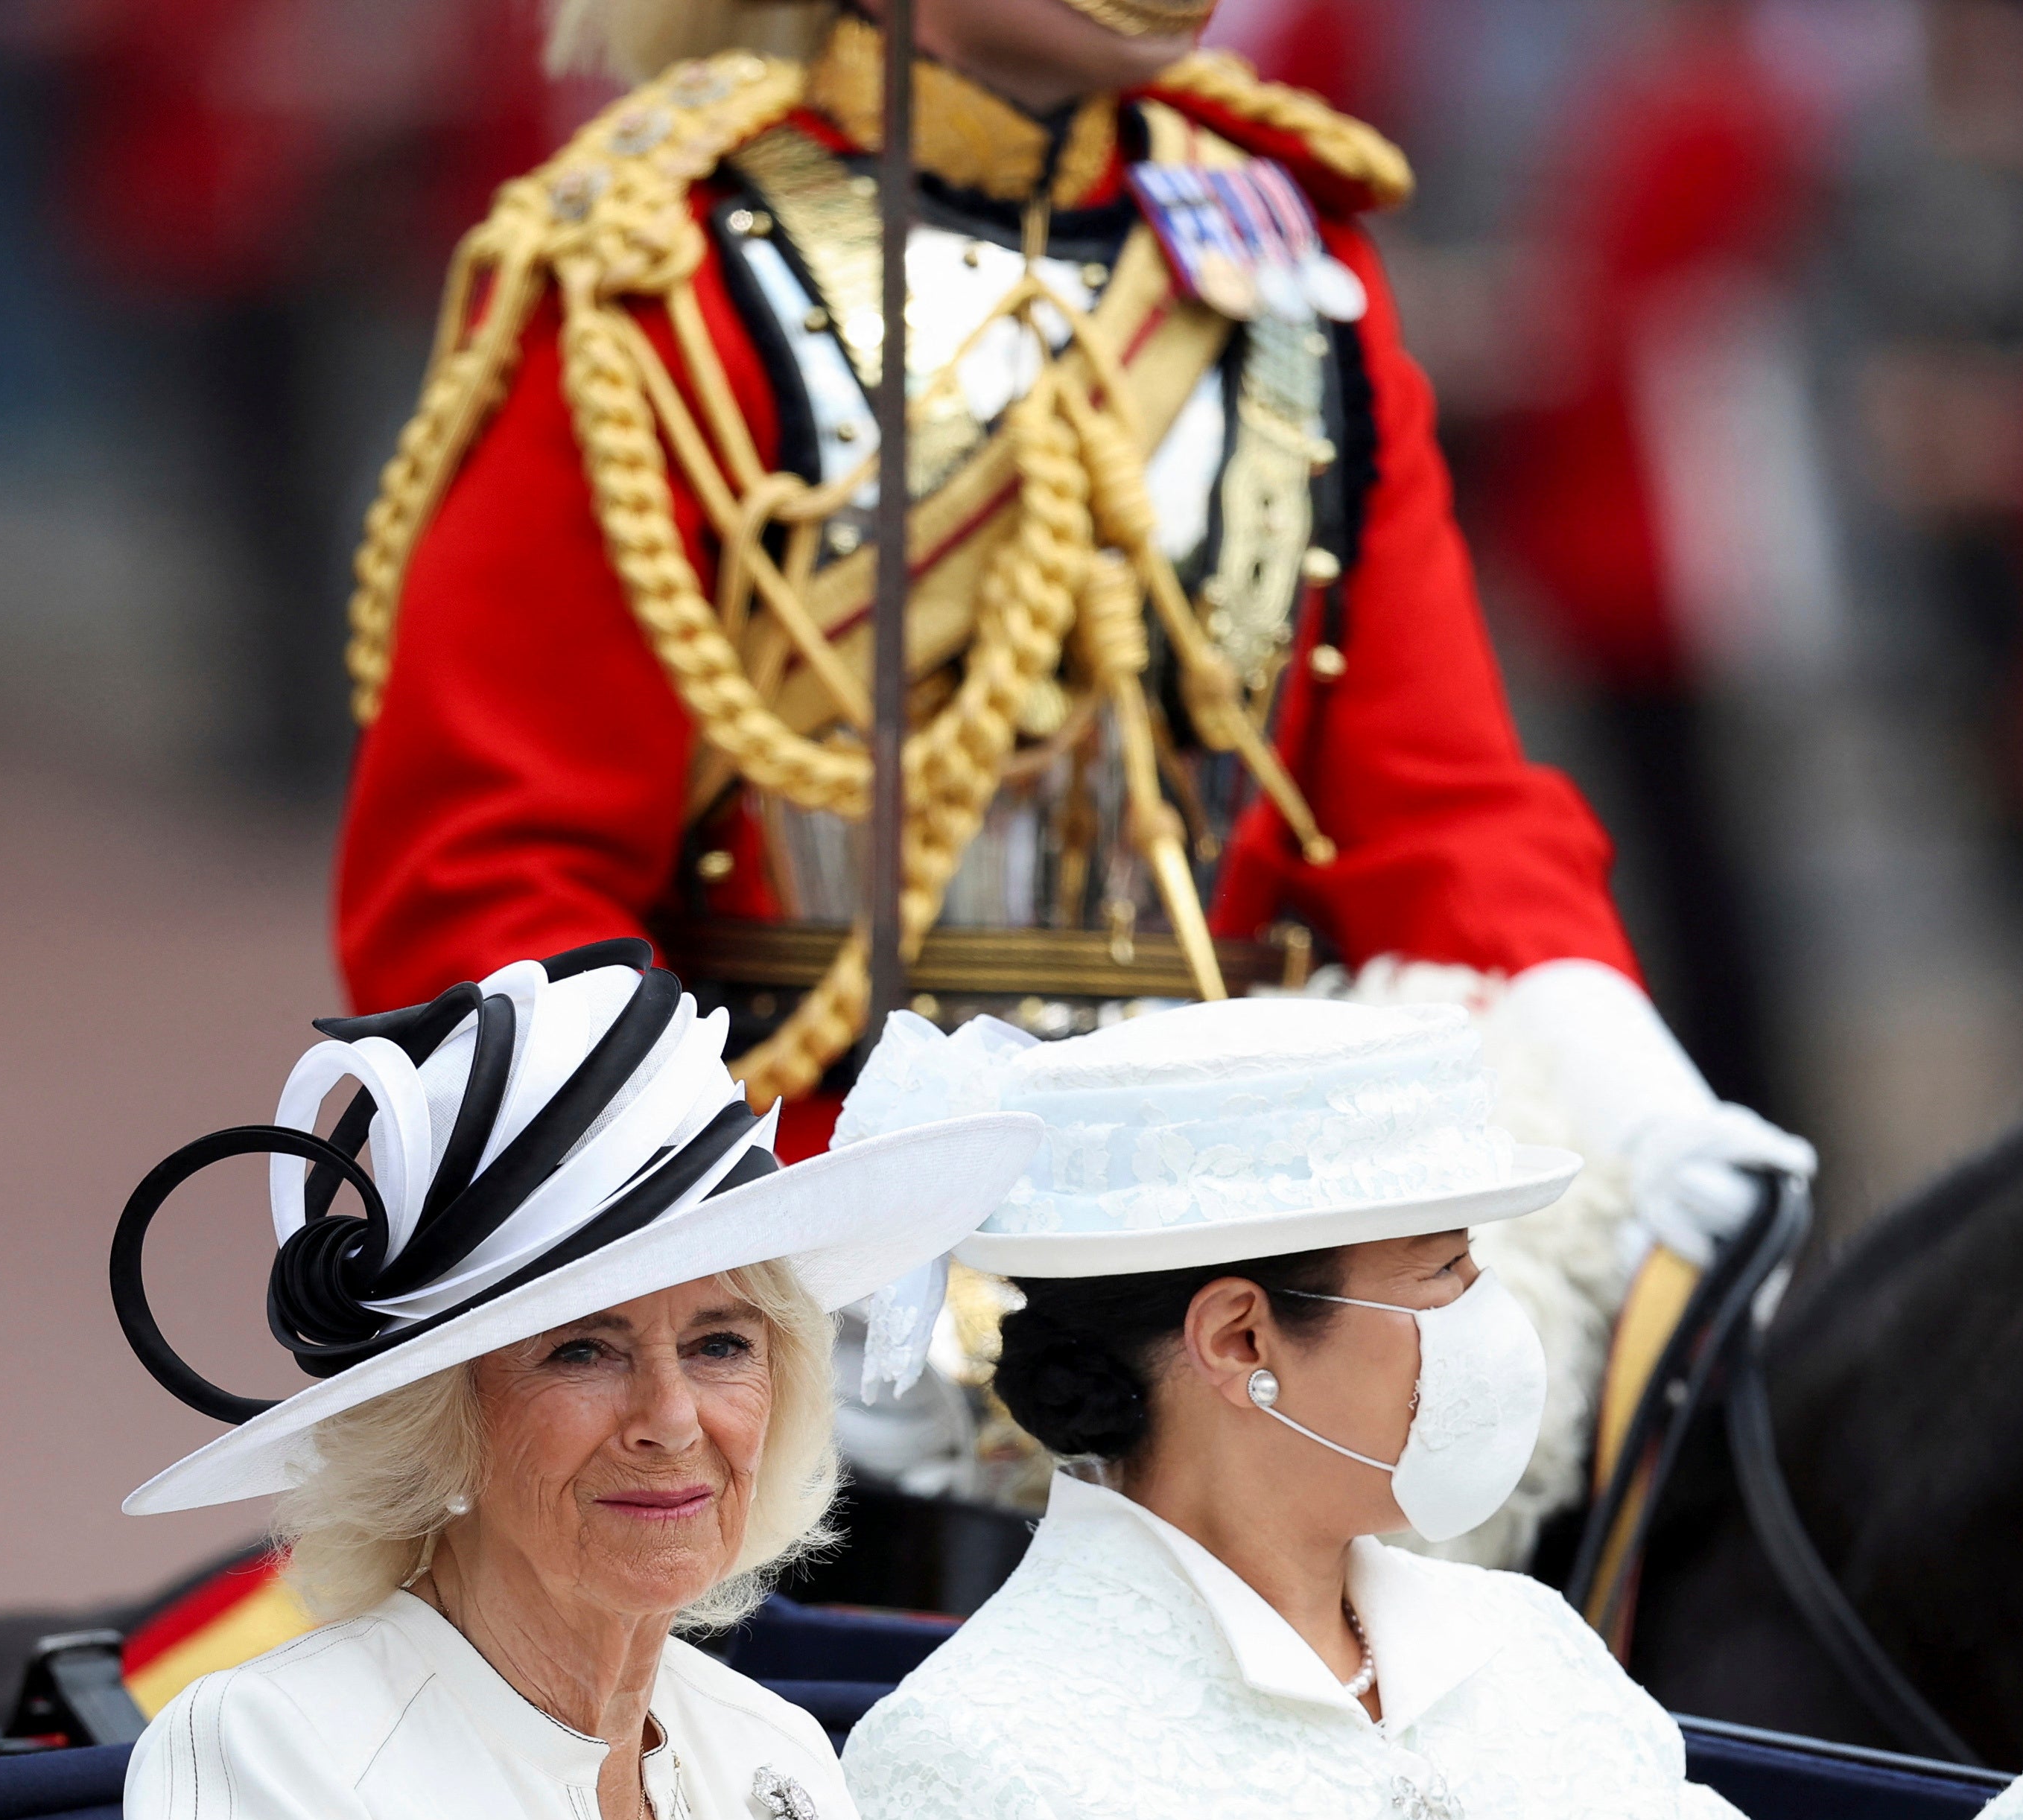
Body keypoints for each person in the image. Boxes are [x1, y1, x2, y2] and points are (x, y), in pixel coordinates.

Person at [335, 0, 1809, 1299]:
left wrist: (1626, 1102)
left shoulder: (1292, 269)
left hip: (1242, 1254)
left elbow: (1433, 808)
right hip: (781, 1225)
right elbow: (488, 886)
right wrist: (728, 1268)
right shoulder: (657, 270)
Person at [836, 997, 2023, 1820]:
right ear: (1242, 1340)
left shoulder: (1525, 1649)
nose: (1491, 1327)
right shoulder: (978, 1761)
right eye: (1441, 1277)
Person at [108, 945, 1038, 1820]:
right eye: (582, 1353)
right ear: (445, 1421)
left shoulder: (775, 1747)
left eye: (721, 1343)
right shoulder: (279, 1755)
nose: (669, 1418)